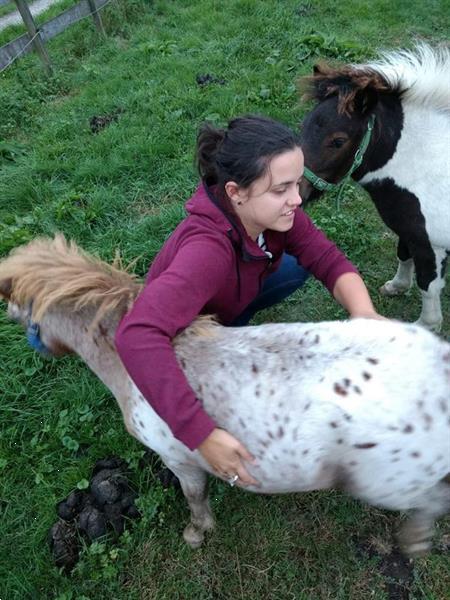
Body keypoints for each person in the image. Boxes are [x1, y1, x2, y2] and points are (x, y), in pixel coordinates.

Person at [115, 115, 383, 488]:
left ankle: (235, 317)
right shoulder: (206, 252)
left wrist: (364, 314)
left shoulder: (274, 214)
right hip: (189, 323)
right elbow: (137, 334)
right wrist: (202, 436)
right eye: (281, 190)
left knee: (295, 267)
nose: (296, 199)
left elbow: (327, 259)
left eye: (297, 183)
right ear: (236, 192)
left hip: (232, 291)